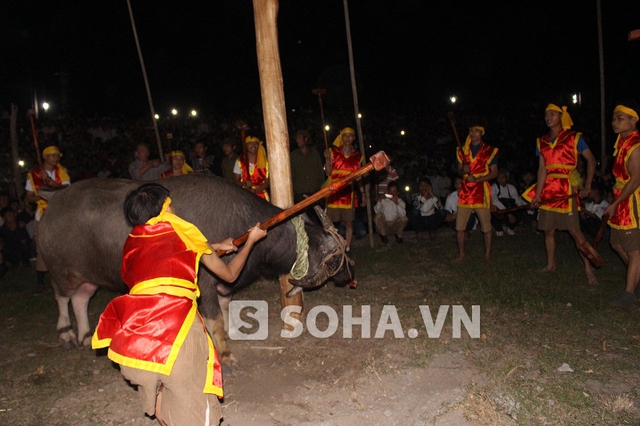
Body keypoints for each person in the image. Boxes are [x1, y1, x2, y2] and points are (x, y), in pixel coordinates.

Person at [92, 183, 267, 425]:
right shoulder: (184, 230)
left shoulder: (133, 240)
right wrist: (252, 242)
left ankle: (162, 396)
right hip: (176, 333)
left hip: (134, 344)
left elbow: (166, 253)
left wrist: (214, 246)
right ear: (165, 208)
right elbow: (229, 275)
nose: (175, 207)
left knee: (167, 398)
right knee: (198, 414)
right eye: (171, 203)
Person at [523, 104, 599, 285]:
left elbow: (591, 160)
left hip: (566, 188)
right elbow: (542, 169)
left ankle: (589, 269)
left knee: (575, 231)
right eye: (546, 114)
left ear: (561, 116)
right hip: (549, 189)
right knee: (548, 230)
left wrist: (587, 185)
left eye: (552, 114)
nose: (548, 117)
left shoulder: (574, 137)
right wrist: (537, 195)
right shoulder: (541, 141)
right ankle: (551, 265)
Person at [602, 103, 640, 306]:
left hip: (632, 200)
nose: (614, 122)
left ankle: (629, 293)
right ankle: (635, 278)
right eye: (614, 118)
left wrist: (616, 202)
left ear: (633, 121)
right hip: (620, 198)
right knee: (615, 243)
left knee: (634, 250)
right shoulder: (622, 142)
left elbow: (635, 180)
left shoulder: (636, 145)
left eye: (620, 119)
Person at [25, 146, 71, 293]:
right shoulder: (33, 175)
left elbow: (67, 191)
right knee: (42, 248)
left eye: (57, 155)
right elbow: (29, 197)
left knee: (61, 246)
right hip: (43, 214)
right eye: (52, 156)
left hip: (59, 213)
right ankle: (40, 282)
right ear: (45, 157)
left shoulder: (62, 172)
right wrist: (43, 193)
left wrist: (51, 183)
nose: (55, 158)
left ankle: (62, 278)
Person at [453, 125, 498, 263]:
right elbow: (459, 170)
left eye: (476, 131)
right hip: (466, 191)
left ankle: (487, 255)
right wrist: (463, 171)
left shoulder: (490, 151)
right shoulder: (462, 150)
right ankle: (461, 254)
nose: (473, 133)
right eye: (471, 130)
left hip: (481, 191)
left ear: (482, 133)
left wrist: (477, 179)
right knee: (460, 226)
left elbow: (494, 173)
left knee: (486, 226)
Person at [324, 127, 366, 254]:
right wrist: (327, 159)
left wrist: (363, 193)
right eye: (345, 136)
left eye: (350, 136)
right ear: (341, 137)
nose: (347, 138)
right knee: (331, 223)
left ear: (353, 138)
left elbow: (358, 177)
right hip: (334, 193)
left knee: (349, 222)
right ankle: (332, 247)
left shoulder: (358, 156)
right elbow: (328, 173)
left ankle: (348, 248)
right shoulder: (333, 152)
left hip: (348, 194)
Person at [290, 129, 325, 203]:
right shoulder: (293, 155)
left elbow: (320, 171)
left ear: (305, 139)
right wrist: (292, 190)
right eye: (297, 138)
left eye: (299, 138)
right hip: (300, 192)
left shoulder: (314, 153)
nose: (297, 140)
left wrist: (321, 187)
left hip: (314, 191)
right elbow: (291, 174)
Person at [490, 169, 527, 236]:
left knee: (520, 211)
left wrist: (522, 209)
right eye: (498, 178)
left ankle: (510, 227)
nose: (500, 180)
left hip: (509, 209)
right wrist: (508, 213)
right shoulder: (493, 187)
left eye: (503, 178)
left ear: (507, 178)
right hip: (500, 211)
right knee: (494, 210)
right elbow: (495, 201)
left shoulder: (511, 188)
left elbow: (517, 199)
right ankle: (499, 228)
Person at [234, 136, 270, 201]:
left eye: (255, 143)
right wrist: (244, 184)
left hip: (261, 196)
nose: (253, 145)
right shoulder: (240, 161)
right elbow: (236, 181)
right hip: (245, 194)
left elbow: (267, 182)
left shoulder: (265, 161)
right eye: (250, 143)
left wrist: (255, 191)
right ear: (246, 146)